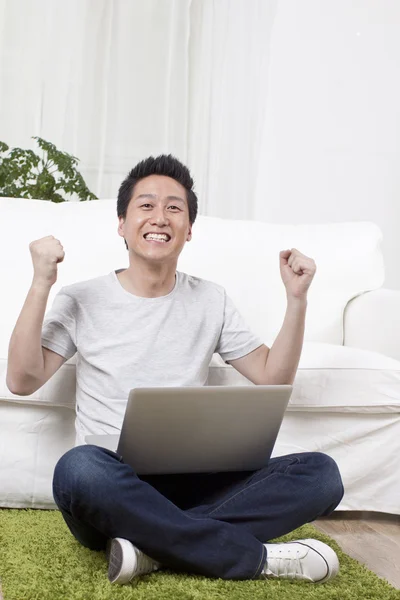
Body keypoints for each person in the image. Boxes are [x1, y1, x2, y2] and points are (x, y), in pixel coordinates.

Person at [6, 154, 344, 586]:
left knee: (321, 474)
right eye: (145, 205)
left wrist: (297, 300)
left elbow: (271, 377)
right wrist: (40, 283)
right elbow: (21, 379)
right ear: (122, 224)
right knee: (78, 469)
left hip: (193, 483)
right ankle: (249, 557)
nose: (159, 216)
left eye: (174, 208)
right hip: (113, 486)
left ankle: (152, 547)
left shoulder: (211, 299)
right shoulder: (80, 299)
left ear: (188, 229)